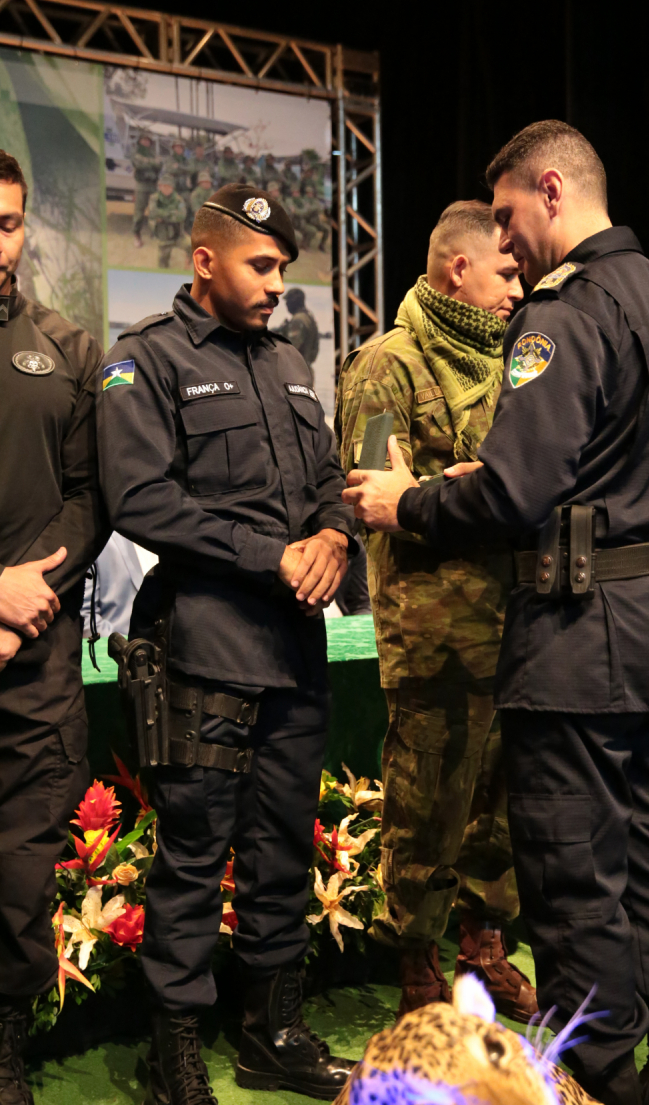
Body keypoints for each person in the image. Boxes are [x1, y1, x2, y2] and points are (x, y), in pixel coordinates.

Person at [343, 120, 649, 1105]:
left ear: (552, 190)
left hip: (580, 636)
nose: (508, 245)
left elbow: (518, 489)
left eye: (510, 215)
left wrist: (410, 503)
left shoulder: (565, 312)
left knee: (572, 880)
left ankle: (599, 1082)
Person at [96, 183, 357, 1103]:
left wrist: (334, 537)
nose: (278, 283)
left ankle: (271, 1036)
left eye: (283, 267)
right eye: (262, 265)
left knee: (283, 848)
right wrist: (271, 554)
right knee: (195, 856)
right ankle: (172, 1054)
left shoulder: (289, 362)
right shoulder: (145, 359)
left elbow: (327, 480)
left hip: (293, 650)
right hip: (203, 646)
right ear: (205, 261)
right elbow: (140, 499)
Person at [336, 200, 537, 1024]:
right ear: (459, 267)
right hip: (432, 628)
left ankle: (483, 948)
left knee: (505, 805)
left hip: (520, 620)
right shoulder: (386, 364)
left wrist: (476, 483)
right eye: (506, 271)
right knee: (427, 807)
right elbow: (367, 490)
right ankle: (417, 960)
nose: (518, 288)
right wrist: (464, 491)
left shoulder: (521, 363)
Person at [0, 149, 108, 1102]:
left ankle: (3, 1047)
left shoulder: (69, 347)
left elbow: (90, 496)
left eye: (6, 223)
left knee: (21, 864)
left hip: (34, 650)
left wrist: (22, 598)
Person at [275, 286, 319, 381]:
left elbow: (290, 349)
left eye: (288, 301)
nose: (286, 304)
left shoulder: (298, 320)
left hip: (295, 374)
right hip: (305, 371)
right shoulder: (308, 317)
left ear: (294, 301)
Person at [148, 173, 187, 269]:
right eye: (164, 186)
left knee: (192, 246)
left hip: (178, 232)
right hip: (163, 234)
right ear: (160, 187)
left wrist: (163, 216)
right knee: (163, 259)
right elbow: (152, 212)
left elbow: (182, 215)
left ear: (172, 188)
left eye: (169, 186)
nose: (166, 189)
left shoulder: (179, 199)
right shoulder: (154, 198)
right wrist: (172, 213)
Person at [131, 132, 162, 248]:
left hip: (153, 185)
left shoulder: (153, 153)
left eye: (148, 140)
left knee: (154, 210)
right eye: (144, 140)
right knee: (139, 212)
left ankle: (154, 233)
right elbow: (139, 164)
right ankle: (136, 234)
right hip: (142, 185)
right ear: (139, 141)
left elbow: (159, 165)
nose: (146, 142)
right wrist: (152, 162)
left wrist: (147, 161)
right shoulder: (136, 153)